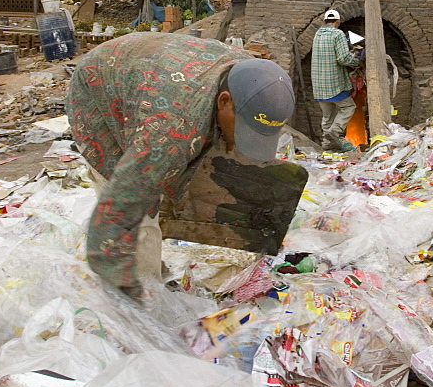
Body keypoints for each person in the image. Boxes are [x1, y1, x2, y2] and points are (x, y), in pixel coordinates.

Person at [67, 31, 296, 298]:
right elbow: (120, 203)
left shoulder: (254, 79)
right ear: (224, 102)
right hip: (98, 92)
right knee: (143, 219)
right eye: (245, 131)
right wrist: (121, 287)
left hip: (152, 77)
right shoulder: (172, 128)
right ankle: (146, 291)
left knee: (179, 172)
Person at [311, 9, 363, 152]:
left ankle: (327, 147)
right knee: (348, 107)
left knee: (327, 116)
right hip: (333, 83)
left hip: (318, 84)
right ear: (338, 21)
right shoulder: (338, 34)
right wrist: (357, 60)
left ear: (325, 21)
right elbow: (343, 58)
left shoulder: (317, 34)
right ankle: (332, 134)